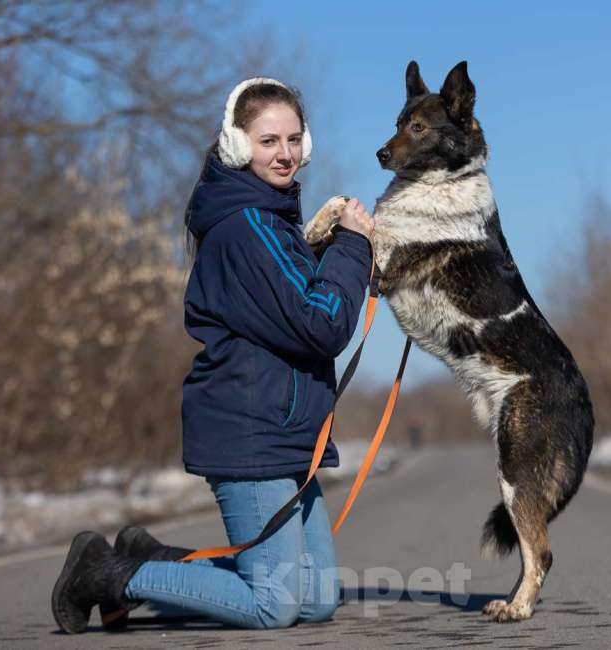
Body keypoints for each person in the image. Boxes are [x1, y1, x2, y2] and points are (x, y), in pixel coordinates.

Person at [51, 77, 374, 633]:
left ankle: (150, 559)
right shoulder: (249, 226)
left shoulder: (270, 220)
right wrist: (352, 245)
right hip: (251, 433)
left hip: (287, 433)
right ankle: (105, 572)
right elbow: (322, 324)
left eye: (294, 139)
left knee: (316, 599)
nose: (286, 153)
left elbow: (294, 304)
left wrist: (332, 251)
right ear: (237, 144)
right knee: (273, 605)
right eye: (269, 140)